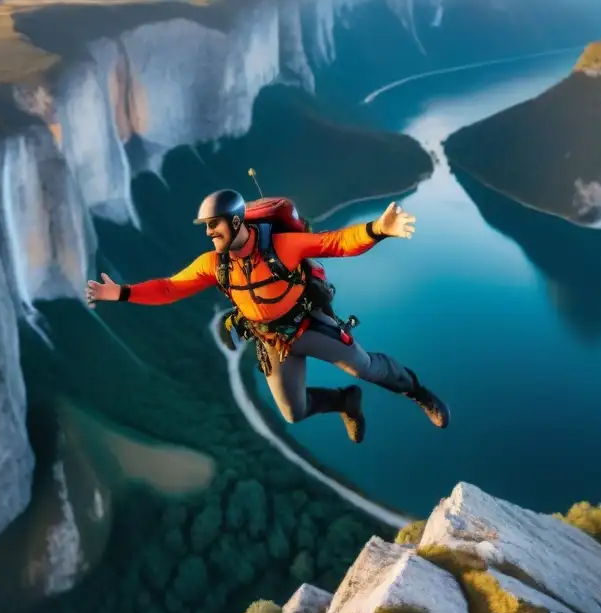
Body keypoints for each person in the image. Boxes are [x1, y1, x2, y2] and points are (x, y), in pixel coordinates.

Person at [86, 189, 449, 443]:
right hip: (273, 340)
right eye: (207, 227)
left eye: (215, 225)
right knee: (294, 412)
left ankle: (417, 391)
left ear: (234, 220)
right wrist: (120, 293)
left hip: (307, 324)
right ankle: (344, 401)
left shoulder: (281, 247)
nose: (209, 232)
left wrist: (378, 230)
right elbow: (169, 288)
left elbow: (333, 243)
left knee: (365, 366)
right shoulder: (214, 264)